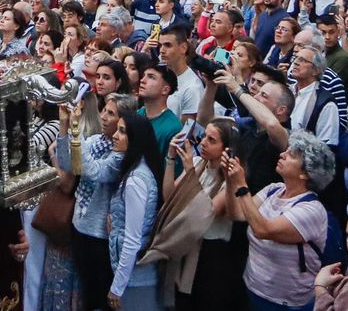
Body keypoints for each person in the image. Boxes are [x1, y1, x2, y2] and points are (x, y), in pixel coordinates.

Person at [225, 130, 337, 311]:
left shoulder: (311, 210)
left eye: (291, 155)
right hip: (254, 288)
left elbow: (263, 230)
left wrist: (241, 184)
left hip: (286, 303)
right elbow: (237, 213)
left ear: (306, 173)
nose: (282, 154)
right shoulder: (273, 190)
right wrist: (230, 180)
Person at [55, 93, 132, 311]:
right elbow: (67, 164)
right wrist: (64, 125)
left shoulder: (120, 154)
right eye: (104, 111)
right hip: (79, 227)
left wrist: (75, 129)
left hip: (101, 237)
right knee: (87, 294)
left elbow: (94, 170)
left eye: (111, 113)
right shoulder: (93, 141)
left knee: (100, 297)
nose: (104, 117)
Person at [169, 119, 245, 310]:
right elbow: (169, 196)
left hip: (212, 255)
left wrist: (189, 172)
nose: (203, 142)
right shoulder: (197, 163)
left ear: (227, 149)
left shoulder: (232, 181)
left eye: (212, 140)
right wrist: (170, 159)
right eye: (204, 137)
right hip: (188, 244)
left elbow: (207, 212)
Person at [106, 113, 164, 310]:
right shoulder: (138, 170)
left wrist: (117, 287)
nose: (114, 135)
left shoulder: (136, 181)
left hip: (136, 278)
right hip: (134, 274)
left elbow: (133, 239)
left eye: (122, 131)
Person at [137, 65, 181, 159]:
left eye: (151, 77)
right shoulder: (136, 115)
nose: (142, 80)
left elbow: (172, 170)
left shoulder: (173, 128)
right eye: (143, 75)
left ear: (165, 90)